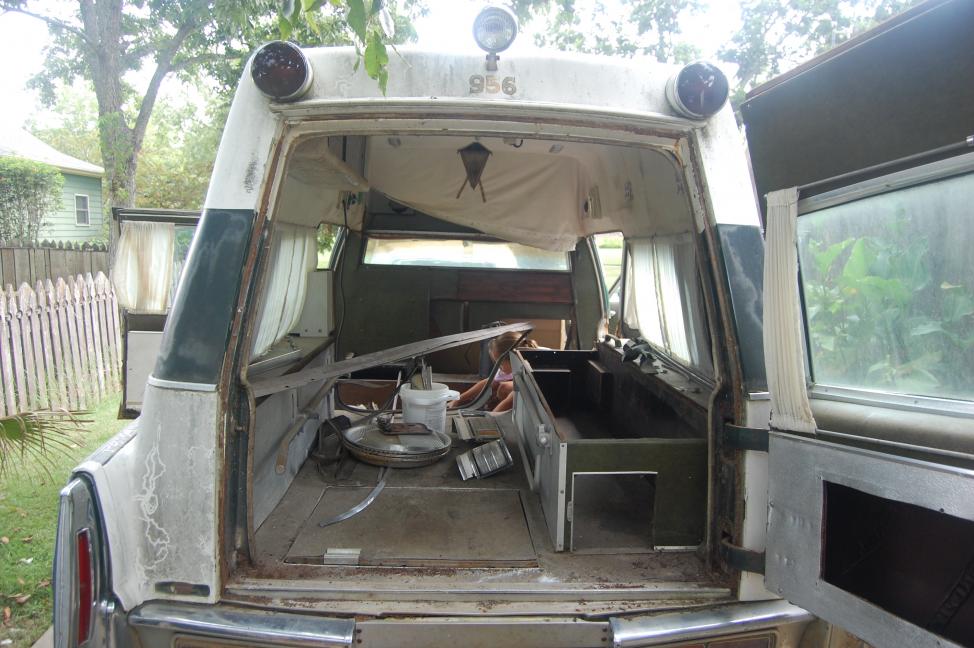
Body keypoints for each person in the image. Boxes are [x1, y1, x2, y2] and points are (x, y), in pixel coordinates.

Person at [451, 331, 538, 413]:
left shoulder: (532, 364)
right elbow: (490, 382)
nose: (498, 366)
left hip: (539, 395)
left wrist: (490, 419)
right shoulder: (517, 358)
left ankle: (498, 418)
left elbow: (518, 392)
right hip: (526, 388)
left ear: (512, 359)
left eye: (500, 364)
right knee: (499, 385)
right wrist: (458, 399)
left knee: (504, 388)